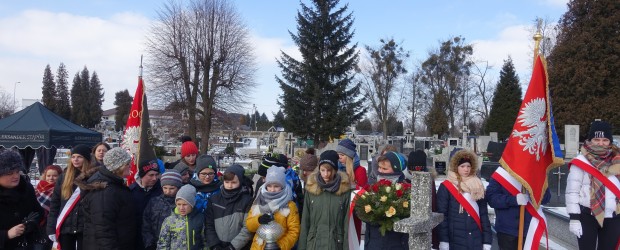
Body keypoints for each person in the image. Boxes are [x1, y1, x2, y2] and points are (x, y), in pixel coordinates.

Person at [565, 120, 620, 249]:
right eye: (596, 139)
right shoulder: (581, 161)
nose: (601, 143)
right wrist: (574, 217)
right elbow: (572, 191)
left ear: (610, 142)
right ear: (590, 140)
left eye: (605, 140)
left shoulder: (617, 160)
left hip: (613, 217)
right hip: (588, 216)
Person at [78, 147, 136, 249]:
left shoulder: (112, 184)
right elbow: (103, 229)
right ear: (118, 166)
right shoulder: (105, 191)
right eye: (127, 164)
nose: (130, 166)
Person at [437, 149, 492, 250]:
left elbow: (484, 215)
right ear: (455, 167)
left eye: (468, 166)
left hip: (476, 238)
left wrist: (487, 241)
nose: (466, 169)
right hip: (455, 239)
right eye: (462, 166)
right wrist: (444, 240)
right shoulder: (446, 187)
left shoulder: (478, 186)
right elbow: (442, 216)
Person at [486, 166, 551, 250]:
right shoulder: (502, 173)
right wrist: (514, 200)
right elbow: (492, 199)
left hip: (529, 229)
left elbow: (546, 198)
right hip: (507, 230)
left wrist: (538, 186)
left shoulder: (535, 171)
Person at [299, 150, 352, 250]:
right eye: (323, 170)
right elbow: (305, 221)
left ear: (335, 170)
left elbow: (346, 225)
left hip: (335, 244)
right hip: (314, 244)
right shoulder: (311, 190)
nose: (326, 174)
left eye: (329, 170)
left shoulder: (344, 191)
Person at [46, 144, 94, 250]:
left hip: (85, 228)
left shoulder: (93, 177)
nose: (75, 159)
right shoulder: (63, 178)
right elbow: (55, 204)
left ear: (86, 159)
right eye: (73, 157)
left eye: (79, 157)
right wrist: (51, 228)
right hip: (65, 228)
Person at [363, 151, 409, 249]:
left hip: (395, 243)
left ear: (395, 169)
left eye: (385, 168)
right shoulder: (372, 188)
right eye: (379, 167)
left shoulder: (404, 189)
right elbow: (361, 211)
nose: (381, 171)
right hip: (374, 242)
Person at [246, 166, 300, 250]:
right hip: (258, 247)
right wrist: (258, 220)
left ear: (282, 186)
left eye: (276, 186)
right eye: (269, 186)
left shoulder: (289, 205)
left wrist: (280, 246)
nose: (272, 190)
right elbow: (249, 226)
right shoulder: (259, 200)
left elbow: (294, 231)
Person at [0, 150, 44, 250]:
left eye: (17, 171)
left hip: (26, 245)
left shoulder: (26, 188)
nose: (15, 176)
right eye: (9, 173)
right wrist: (6, 234)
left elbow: (38, 211)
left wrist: (31, 223)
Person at [206, 164, 254, 250]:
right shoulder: (214, 199)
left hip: (239, 247)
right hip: (218, 245)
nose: (230, 186)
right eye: (227, 182)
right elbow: (209, 224)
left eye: (234, 182)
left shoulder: (248, 201)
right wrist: (214, 245)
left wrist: (232, 247)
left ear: (240, 181)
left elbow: (247, 228)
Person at [405, 149, 439, 249]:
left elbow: (433, 206)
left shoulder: (428, 180)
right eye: (413, 168)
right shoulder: (404, 180)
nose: (416, 171)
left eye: (419, 168)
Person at [142, 171, 183, 250]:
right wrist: (149, 242)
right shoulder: (154, 202)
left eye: (172, 188)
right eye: (165, 188)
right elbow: (146, 223)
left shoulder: (181, 204)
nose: (168, 191)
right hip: (154, 244)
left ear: (178, 188)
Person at [157, 184, 206, 250]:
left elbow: (205, 242)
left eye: (185, 204)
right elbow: (163, 243)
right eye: (179, 204)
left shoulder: (200, 218)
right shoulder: (169, 220)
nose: (181, 208)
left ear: (192, 204)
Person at [130, 158, 163, 250]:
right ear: (142, 175)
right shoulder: (131, 191)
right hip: (136, 237)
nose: (155, 178)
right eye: (151, 175)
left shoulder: (162, 190)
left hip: (155, 238)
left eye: (157, 175)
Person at [35, 164, 62, 250]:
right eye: (48, 175)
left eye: (55, 176)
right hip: (38, 221)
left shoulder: (61, 189)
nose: (51, 178)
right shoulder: (38, 187)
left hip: (52, 221)